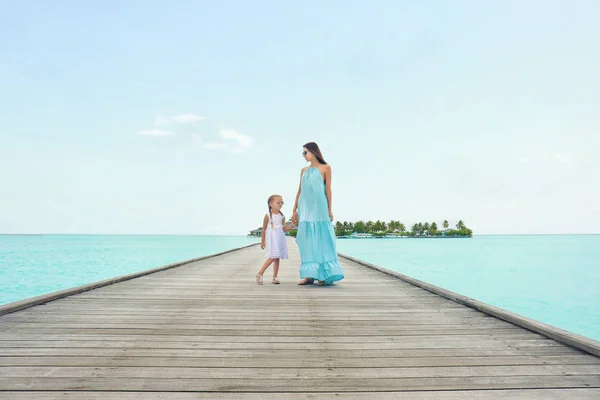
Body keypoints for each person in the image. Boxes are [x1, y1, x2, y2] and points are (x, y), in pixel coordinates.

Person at [292, 142, 344, 285]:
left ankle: (323, 275)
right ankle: (309, 275)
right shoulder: (303, 170)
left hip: (320, 208)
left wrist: (329, 209)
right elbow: (299, 190)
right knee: (306, 240)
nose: (303, 156)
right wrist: (294, 209)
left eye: (305, 152)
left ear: (313, 152)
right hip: (305, 209)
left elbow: (328, 190)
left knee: (322, 239)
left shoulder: (326, 168)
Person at [256, 195, 294, 285]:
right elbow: (264, 229)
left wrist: (291, 226)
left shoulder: (282, 216)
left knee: (277, 257)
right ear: (270, 204)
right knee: (273, 256)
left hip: (280, 237)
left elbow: (283, 229)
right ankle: (260, 273)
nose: (280, 204)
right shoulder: (268, 216)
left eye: (282, 202)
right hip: (271, 237)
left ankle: (275, 277)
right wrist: (262, 241)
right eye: (278, 202)